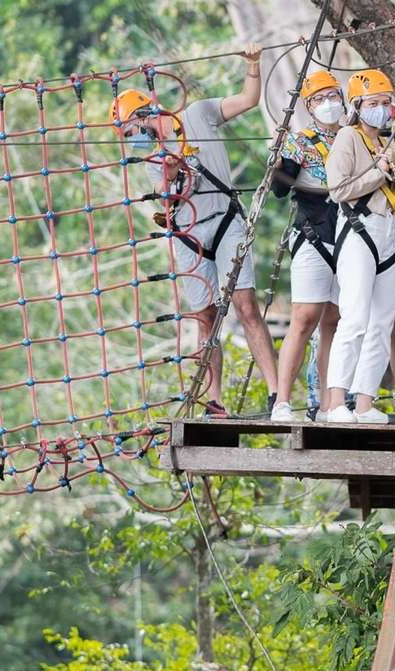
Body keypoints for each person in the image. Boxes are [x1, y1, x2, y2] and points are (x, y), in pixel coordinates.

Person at [112, 46, 279, 418]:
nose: (131, 139)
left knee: (245, 305)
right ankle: (214, 399)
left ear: (144, 116)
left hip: (223, 220)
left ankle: (276, 394)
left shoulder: (197, 115)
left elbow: (249, 100)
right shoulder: (151, 159)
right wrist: (169, 164)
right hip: (188, 236)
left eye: (130, 131)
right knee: (205, 317)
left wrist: (252, 65)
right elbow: (170, 193)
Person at [323, 69, 395, 424]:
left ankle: (364, 402)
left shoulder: (388, 143)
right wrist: (380, 171)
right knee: (356, 316)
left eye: (385, 103)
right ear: (359, 106)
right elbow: (338, 189)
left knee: (382, 320)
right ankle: (335, 402)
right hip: (359, 229)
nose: (380, 109)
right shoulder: (348, 137)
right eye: (373, 103)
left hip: (391, 230)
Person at [269, 70, 344, 422]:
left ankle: (330, 402)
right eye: (319, 99)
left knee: (334, 319)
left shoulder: (354, 138)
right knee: (304, 317)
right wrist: (280, 164)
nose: (328, 104)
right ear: (309, 107)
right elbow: (282, 187)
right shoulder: (301, 142)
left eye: (333, 96)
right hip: (313, 232)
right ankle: (283, 400)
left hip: (349, 236)